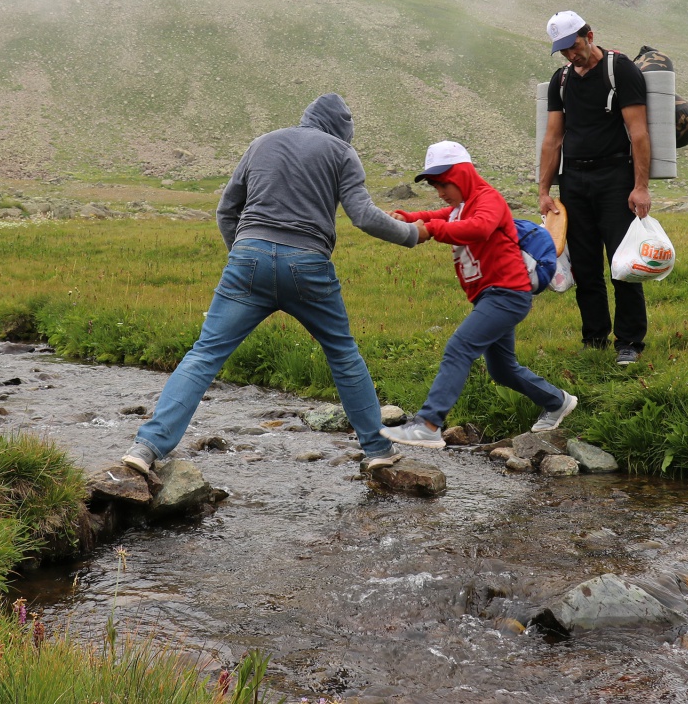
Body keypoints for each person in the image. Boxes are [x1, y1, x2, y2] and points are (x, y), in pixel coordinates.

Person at [123, 93, 418, 478]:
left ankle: (146, 447)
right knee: (343, 355)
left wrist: (243, 257)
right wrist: (411, 234)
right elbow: (362, 215)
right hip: (308, 265)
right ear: (342, 130)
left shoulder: (261, 143)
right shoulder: (342, 152)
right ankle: (377, 450)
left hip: (247, 259)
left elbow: (226, 211)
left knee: (204, 355)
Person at [380, 141, 576, 448]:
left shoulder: (488, 199)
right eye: (435, 186)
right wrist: (407, 217)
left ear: (462, 176)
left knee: (459, 348)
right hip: (493, 296)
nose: (440, 192)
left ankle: (428, 424)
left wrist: (431, 231)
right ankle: (557, 401)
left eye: (444, 184)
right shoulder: (460, 206)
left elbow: (480, 228)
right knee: (502, 369)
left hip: (507, 294)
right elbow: (437, 214)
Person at [536, 10, 651, 367]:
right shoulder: (561, 81)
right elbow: (553, 139)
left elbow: (638, 133)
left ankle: (629, 342)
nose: (571, 55)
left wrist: (640, 187)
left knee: (623, 263)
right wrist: (544, 192)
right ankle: (595, 338)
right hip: (574, 182)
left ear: (589, 36)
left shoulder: (621, 71)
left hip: (615, 178)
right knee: (585, 267)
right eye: (563, 50)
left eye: (574, 46)